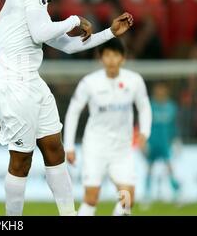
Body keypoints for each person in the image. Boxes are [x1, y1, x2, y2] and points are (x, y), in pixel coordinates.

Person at [0, 0, 134, 216]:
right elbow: (42, 32)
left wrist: (109, 33)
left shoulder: (34, 0)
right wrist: (75, 19)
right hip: (13, 84)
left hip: (32, 81)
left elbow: (67, 45)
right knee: (21, 160)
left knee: (54, 149)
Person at [64, 38, 152, 216]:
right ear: (101, 58)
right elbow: (73, 111)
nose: (111, 60)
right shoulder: (89, 82)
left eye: (115, 55)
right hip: (95, 147)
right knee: (91, 198)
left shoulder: (134, 81)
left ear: (123, 58)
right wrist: (69, 146)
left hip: (122, 148)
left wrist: (144, 132)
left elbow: (144, 106)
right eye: (107, 55)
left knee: (127, 199)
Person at [144, 82, 180, 202]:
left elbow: (174, 125)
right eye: (158, 90)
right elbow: (144, 124)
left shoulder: (171, 107)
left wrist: (176, 140)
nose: (160, 93)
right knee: (149, 168)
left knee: (169, 167)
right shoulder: (150, 106)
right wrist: (143, 140)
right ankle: (147, 194)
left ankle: (176, 193)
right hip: (152, 142)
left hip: (165, 142)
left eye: (162, 90)